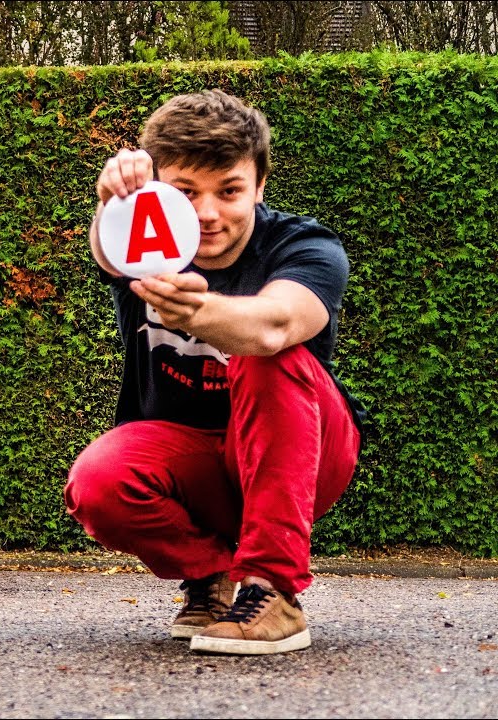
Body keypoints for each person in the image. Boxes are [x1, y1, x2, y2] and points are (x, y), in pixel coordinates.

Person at [64, 89, 365, 655]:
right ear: (158, 191)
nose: (207, 214)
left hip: (306, 455)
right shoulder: (144, 241)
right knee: (99, 481)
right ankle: (212, 576)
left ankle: (272, 590)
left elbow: (276, 324)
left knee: (262, 353)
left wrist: (203, 315)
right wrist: (113, 200)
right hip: (195, 461)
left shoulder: (305, 244)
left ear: (259, 185)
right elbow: (108, 253)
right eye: (185, 192)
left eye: (229, 191)